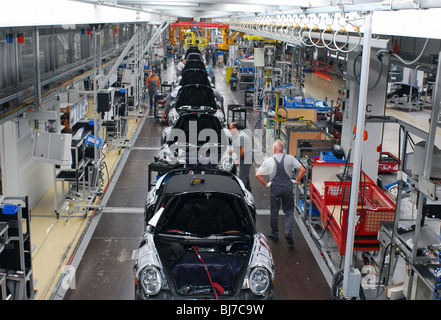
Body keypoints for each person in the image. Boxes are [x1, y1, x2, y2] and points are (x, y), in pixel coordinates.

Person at [255, 139, 306, 245]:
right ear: (283, 149)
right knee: (289, 211)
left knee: (274, 211)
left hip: (275, 188)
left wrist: (266, 184)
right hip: (287, 187)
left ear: (274, 149)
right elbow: (303, 170)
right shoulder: (290, 158)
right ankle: (288, 232)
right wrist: (296, 181)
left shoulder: (269, 160)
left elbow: (257, 175)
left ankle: (274, 233)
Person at [229, 122, 253, 192]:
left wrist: (238, 160)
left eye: (230, 128)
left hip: (247, 158)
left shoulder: (240, 136)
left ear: (235, 129)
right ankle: (248, 190)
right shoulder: (238, 135)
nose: (229, 130)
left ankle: (242, 193)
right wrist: (232, 151)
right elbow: (238, 147)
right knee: (245, 175)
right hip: (245, 158)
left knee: (242, 178)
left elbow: (242, 150)